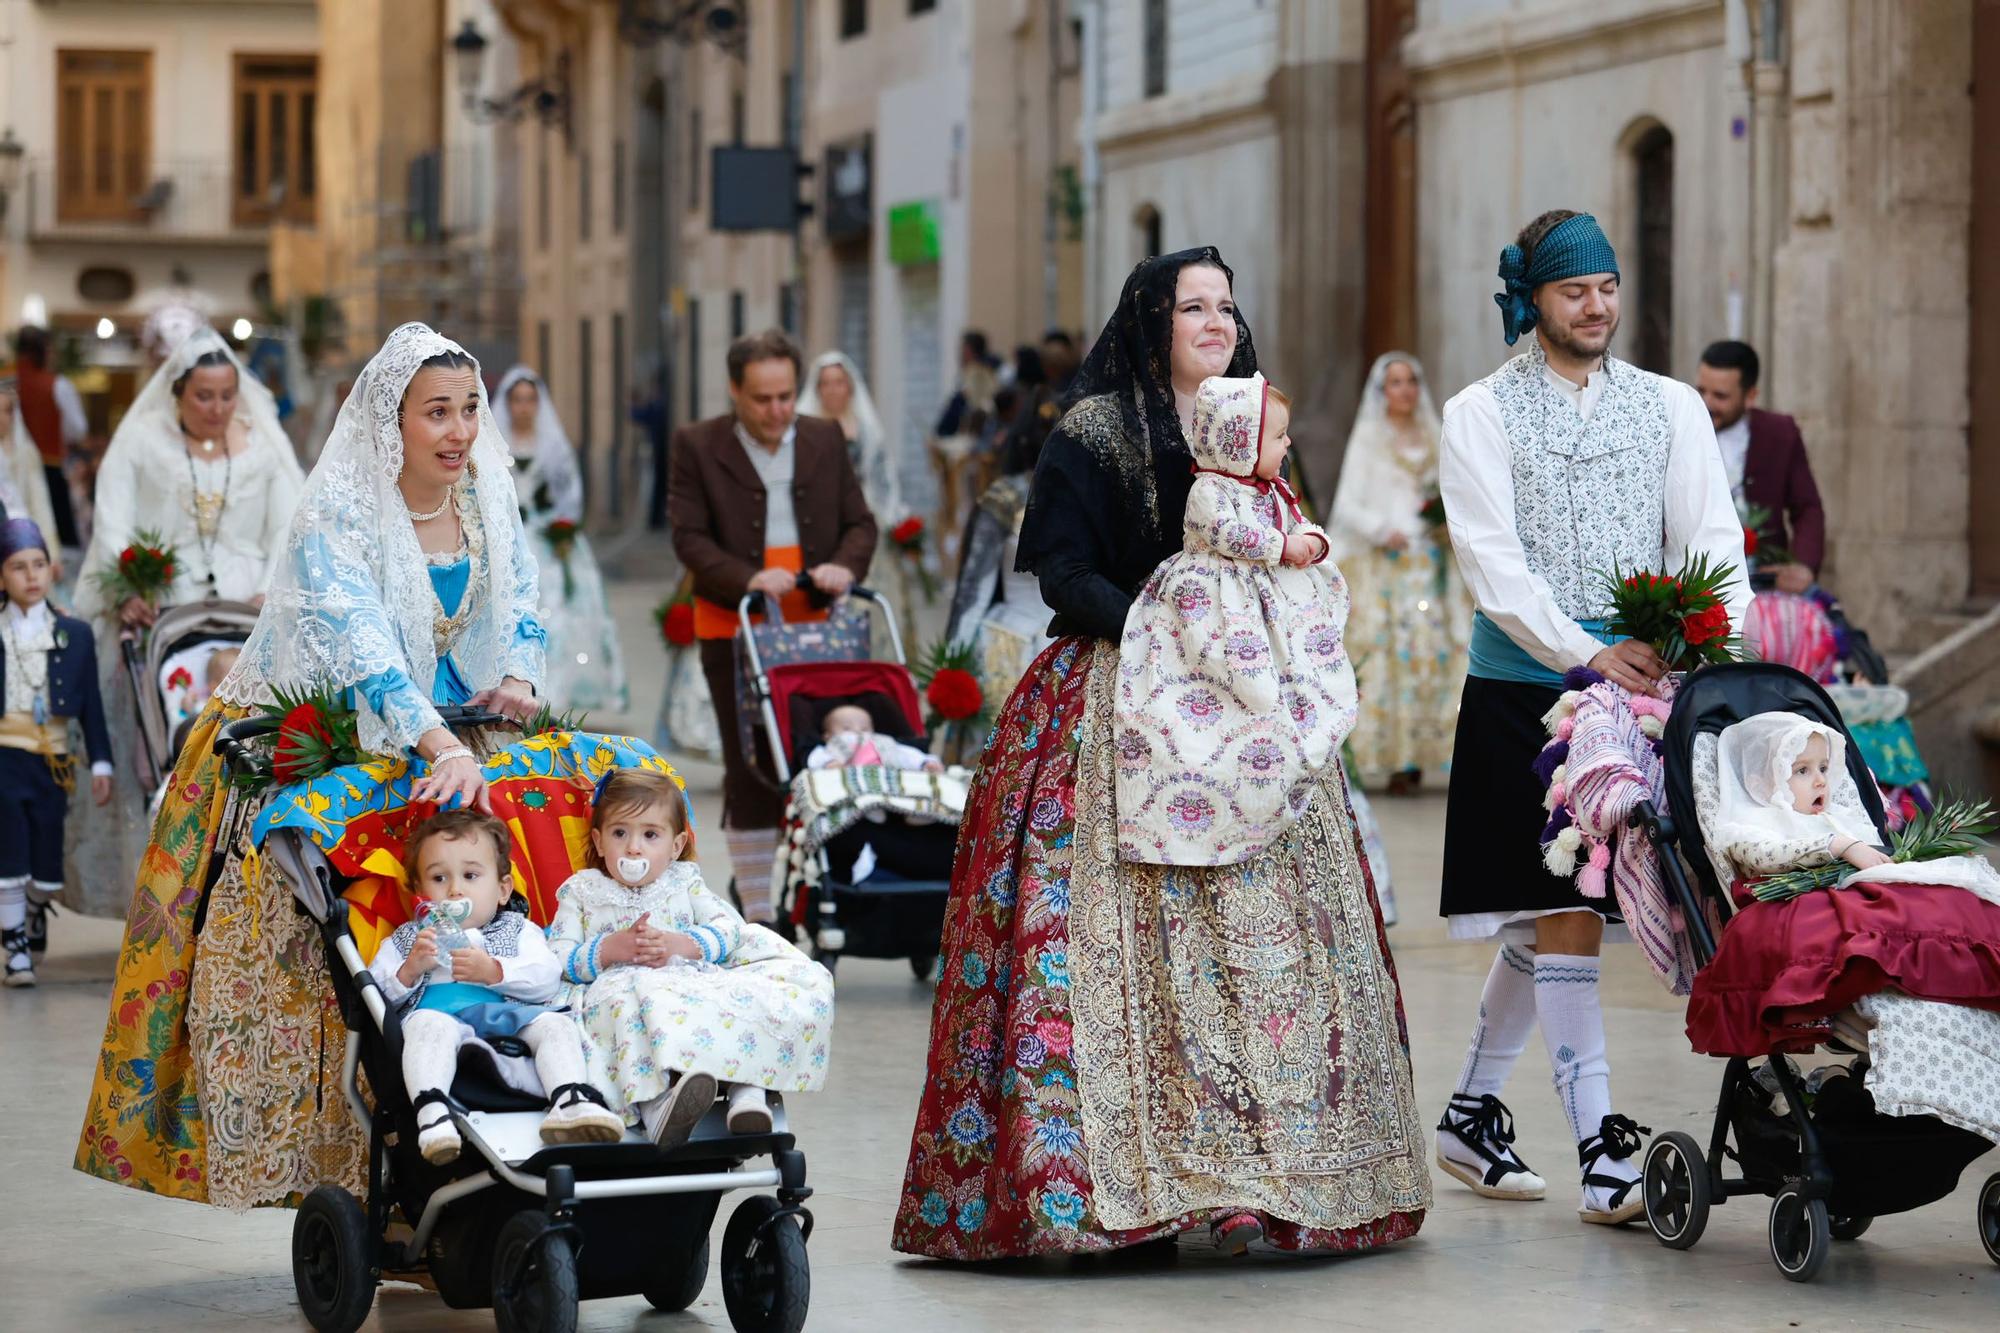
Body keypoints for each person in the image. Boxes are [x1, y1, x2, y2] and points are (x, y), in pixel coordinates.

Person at [894, 247, 1429, 1262]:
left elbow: (1282, 545)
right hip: (1114, 691)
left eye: (1226, 304)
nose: (1216, 320)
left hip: (1242, 714)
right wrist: (1162, 631)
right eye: (1193, 305)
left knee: (1272, 952)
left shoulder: (1254, 427)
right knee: (1114, 941)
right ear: (1150, 319)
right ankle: (1110, 1191)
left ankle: (1269, 1182)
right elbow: (1061, 572)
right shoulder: (1091, 433)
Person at [77, 322, 547, 1209]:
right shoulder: (340, 511)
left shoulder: (487, 486)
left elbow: (519, 591)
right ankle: (345, 1162)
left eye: (469, 410)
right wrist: (437, 744)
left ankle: (515, 1107)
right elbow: (363, 648)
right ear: (390, 422)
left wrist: (517, 673)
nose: (458, 431)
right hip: (328, 720)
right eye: (436, 412)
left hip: (453, 717)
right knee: (321, 911)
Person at [1433, 210, 1748, 1225]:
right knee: (1570, 909)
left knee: (1552, 911)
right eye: (1575, 291)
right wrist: (1582, 649)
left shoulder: (1668, 408)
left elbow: (1711, 540)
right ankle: (1602, 1148)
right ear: (1530, 301)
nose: (1597, 305)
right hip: (1528, 687)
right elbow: (1490, 563)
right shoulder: (1477, 412)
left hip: (1641, 688)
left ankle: (1470, 1113)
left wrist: (1713, 652)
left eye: (1607, 286)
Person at [64, 328, 306, 918]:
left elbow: (290, 525)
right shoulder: (141, 441)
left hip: (247, 606)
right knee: (153, 727)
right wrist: (128, 589)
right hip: (164, 606)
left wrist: (272, 590)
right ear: (177, 393)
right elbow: (114, 524)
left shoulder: (263, 445)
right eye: (203, 396)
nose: (217, 408)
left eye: (226, 395)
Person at [667, 329, 877, 927]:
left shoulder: (822, 436)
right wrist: (748, 578)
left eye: (786, 396)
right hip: (734, 628)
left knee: (825, 749)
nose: (778, 411)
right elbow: (689, 538)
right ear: (735, 391)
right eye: (762, 399)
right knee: (750, 761)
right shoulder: (698, 445)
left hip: (819, 630)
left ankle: (834, 887)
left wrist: (844, 565)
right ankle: (758, 909)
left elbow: (860, 522)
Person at [1113, 373, 1355, 866]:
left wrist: (1313, 542)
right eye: (1278, 435)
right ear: (1239, 440)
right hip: (1215, 606)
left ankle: (1284, 752)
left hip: (1266, 608)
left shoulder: (1274, 490)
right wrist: (1283, 547)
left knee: (1296, 684)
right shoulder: (1209, 490)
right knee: (1234, 686)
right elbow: (1228, 535)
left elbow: (1301, 523)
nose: (1288, 443)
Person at [1685, 713, 2000, 1056]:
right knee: (1859, 922)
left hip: (1858, 892)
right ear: (1765, 780)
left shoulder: (1838, 816)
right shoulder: (1753, 823)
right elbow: (1764, 855)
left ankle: (1955, 968)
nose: (1820, 780)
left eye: (1823, 768)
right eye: (1802, 770)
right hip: (1801, 899)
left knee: (1944, 902)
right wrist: (1836, 846)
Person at [548, 769, 835, 1145]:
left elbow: (727, 927)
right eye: (620, 833)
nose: (634, 848)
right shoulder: (582, 892)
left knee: (736, 999)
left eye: (650, 835)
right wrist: (607, 949)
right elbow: (557, 956)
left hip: (687, 980)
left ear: (676, 844)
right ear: (600, 842)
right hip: (622, 990)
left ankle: (747, 1093)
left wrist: (679, 944)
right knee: (629, 1008)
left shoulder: (683, 882)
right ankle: (657, 1107)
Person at [368, 809, 623, 1163]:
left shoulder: (516, 930)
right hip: (441, 1016)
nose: (455, 889)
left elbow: (547, 976)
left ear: (503, 889)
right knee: (426, 1026)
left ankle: (569, 1098)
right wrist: (408, 971)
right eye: (439, 878)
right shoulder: (409, 939)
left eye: (470, 875)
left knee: (555, 1024)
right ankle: (432, 1112)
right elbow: (374, 995)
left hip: (505, 1015)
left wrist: (495, 971)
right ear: (420, 894)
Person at [1327, 352, 1469, 793]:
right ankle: (1392, 757)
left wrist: (1445, 521)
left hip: (1430, 566)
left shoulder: (1434, 434)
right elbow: (1348, 503)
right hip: (1388, 565)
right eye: (1395, 383)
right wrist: (1380, 529)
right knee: (1393, 655)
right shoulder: (1370, 437)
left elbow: (1456, 489)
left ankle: (1428, 755)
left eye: (1410, 381)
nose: (1404, 390)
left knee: (1435, 654)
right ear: (1381, 391)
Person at [0, 519, 112, 986]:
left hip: (55, 761)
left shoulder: (75, 634)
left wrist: (102, 762)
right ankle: (16, 949)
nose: (31, 576)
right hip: (5, 753)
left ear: (51, 570)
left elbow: (91, 705)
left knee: (46, 862)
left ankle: (35, 906)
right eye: (18, 567)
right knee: (10, 851)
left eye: (39, 565)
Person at [498, 366, 628, 713]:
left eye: (530, 399)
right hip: (507, 539)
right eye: (517, 400)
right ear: (508, 403)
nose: (523, 407)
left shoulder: (553, 445)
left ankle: (554, 690)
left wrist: (563, 526)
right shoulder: (495, 442)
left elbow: (569, 491)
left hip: (545, 539)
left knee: (555, 612)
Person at [1695, 340, 1825, 596]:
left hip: (1762, 583)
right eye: (1701, 391)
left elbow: (1807, 508)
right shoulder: (1681, 425)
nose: (1706, 403)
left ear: (1750, 396)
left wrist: (1802, 566)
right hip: (1692, 581)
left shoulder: (1779, 433)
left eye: (1720, 396)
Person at [8, 327, 88, 555]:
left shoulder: (5, 379)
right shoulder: (56, 384)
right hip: (49, 468)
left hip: (8, 466)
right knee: (53, 536)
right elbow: (78, 430)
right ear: (43, 351)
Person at [797, 351, 896, 523]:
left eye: (838, 383)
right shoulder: (804, 430)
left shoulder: (866, 430)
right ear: (817, 389)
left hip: (860, 511)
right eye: (825, 384)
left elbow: (880, 475)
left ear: (849, 386)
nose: (832, 390)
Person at [0, 377, 61, 555]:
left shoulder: (26, 451)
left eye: (7, 411)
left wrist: (50, 548)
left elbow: (39, 500)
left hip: (22, 534)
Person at [807, 703, 942, 773]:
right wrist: (828, 764)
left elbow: (905, 754)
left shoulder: (881, 741)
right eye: (847, 728)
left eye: (864, 728)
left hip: (889, 775)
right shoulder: (831, 747)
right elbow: (815, 758)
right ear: (827, 736)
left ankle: (918, 812)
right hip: (852, 777)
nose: (857, 731)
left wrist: (924, 762)